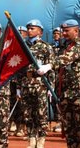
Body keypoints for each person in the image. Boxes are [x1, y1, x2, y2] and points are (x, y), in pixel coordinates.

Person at [37, 19, 80, 148]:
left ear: (76, 31)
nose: (64, 34)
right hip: (66, 92)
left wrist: (49, 65)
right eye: (63, 31)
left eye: (67, 31)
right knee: (69, 129)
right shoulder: (65, 46)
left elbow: (66, 59)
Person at [17, 20, 55, 148]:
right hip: (26, 84)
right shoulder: (23, 46)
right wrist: (18, 87)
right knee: (27, 113)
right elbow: (19, 69)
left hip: (41, 85)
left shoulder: (46, 47)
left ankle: (41, 140)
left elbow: (51, 68)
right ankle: (31, 139)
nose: (29, 31)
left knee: (40, 113)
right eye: (28, 28)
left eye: (32, 28)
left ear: (40, 31)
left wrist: (51, 87)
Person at [8, 26, 28, 138]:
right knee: (11, 102)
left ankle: (21, 126)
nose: (19, 34)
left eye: (21, 32)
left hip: (22, 80)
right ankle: (13, 123)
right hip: (11, 79)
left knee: (21, 105)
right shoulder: (12, 46)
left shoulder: (26, 47)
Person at [51, 27, 62, 133]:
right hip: (53, 76)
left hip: (62, 77)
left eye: (58, 33)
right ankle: (57, 120)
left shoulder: (65, 46)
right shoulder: (51, 46)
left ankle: (63, 121)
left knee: (61, 99)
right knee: (54, 100)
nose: (56, 35)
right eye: (54, 33)